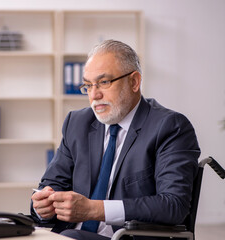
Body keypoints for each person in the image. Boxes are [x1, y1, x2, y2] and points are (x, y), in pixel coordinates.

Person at [30, 39, 200, 240]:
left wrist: (95, 209)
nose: (94, 95)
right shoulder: (77, 123)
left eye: (104, 82)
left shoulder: (170, 127)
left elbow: (173, 205)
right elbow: (51, 185)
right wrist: (42, 207)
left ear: (134, 82)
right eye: (88, 85)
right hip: (69, 235)